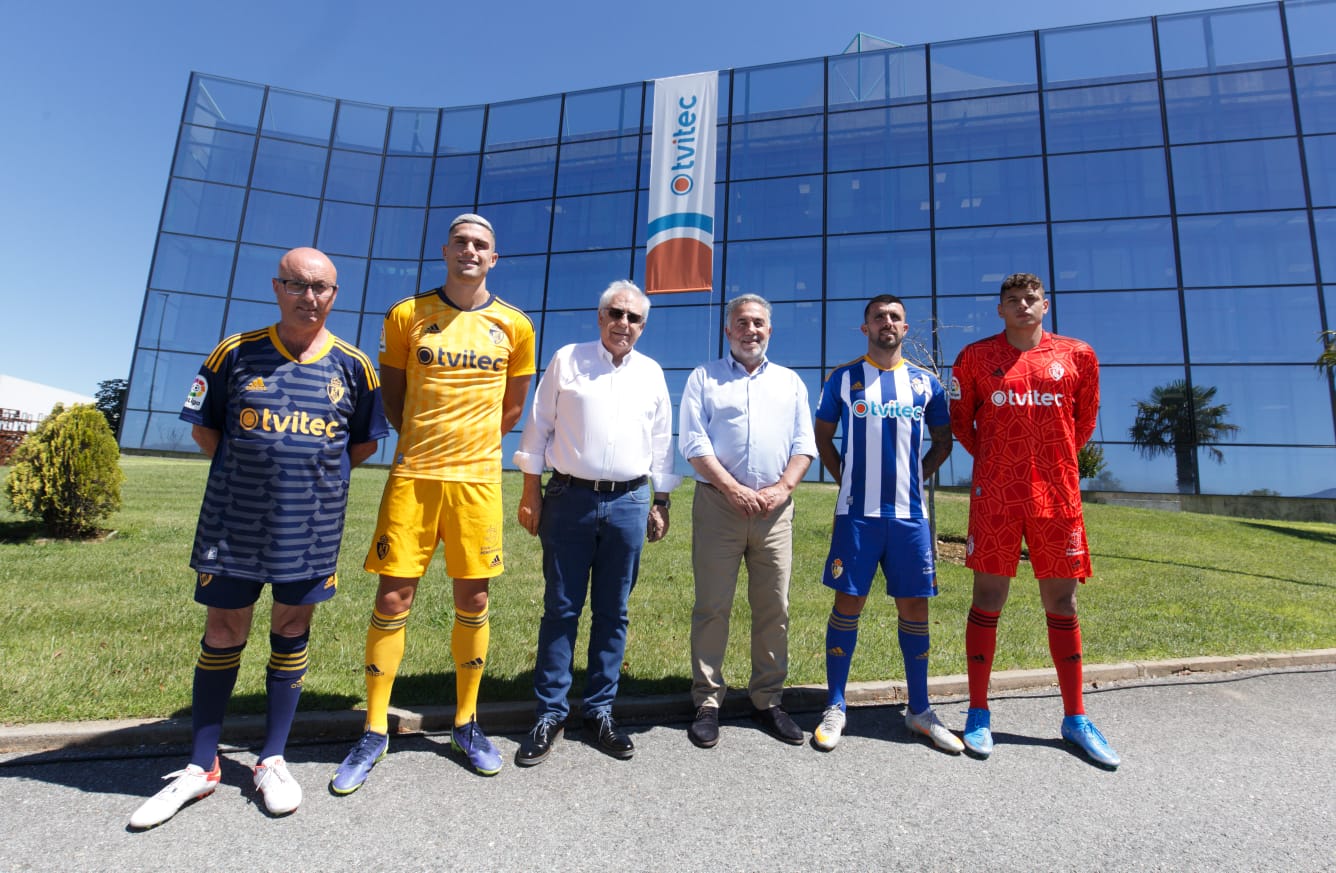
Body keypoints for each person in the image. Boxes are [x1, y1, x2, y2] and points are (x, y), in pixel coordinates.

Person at [130, 247, 386, 829]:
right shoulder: (235, 353)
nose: (309, 296)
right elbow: (206, 430)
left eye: (321, 287)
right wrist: (255, 473)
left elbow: (364, 444)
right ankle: (202, 767)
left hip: (311, 527)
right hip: (233, 523)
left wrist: (306, 481)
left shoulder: (354, 367)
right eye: (297, 284)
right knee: (223, 630)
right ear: (277, 288)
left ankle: (271, 759)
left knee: (292, 630)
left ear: (334, 295)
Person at [331, 214, 535, 793]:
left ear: (494, 258)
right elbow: (393, 402)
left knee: (473, 596)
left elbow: (512, 411)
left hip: (476, 484)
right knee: (393, 596)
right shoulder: (407, 315)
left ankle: (467, 724)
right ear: (446, 251)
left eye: (482, 245)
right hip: (415, 476)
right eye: (462, 242)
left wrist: (469, 448)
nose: (471, 251)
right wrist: (427, 440)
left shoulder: (515, 325)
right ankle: (373, 729)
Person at [948, 272, 1119, 768]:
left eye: (1031, 298)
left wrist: (1050, 462)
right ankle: (978, 712)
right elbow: (963, 423)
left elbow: (1083, 422)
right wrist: (1001, 462)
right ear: (999, 309)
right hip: (997, 496)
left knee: (1062, 601)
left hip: (1058, 496)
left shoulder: (1078, 355)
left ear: (1046, 304)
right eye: (1012, 300)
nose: (1022, 306)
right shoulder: (974, 358)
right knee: (987, 598)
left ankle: (1076, 717)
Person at [512, 280, 680, 766]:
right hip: (569, 499)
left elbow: (661, 440)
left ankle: (601, 709)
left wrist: (661, 500)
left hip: (629, 503)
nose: (622, 324)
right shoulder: (567, 359)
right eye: (615, 313)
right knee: (561, 608)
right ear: (600, 315)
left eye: (633, 318)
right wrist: (530, 492)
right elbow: (539, 426)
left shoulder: (651, 373)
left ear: (642, 327)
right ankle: (549, 712)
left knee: (614, 612)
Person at [811, 294, 960, 754]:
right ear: (865, 328)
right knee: (848, 604)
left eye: (895, 317)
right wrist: (847, 478)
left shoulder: (926, 383)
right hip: (857, 516)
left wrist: (914, 478)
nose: (887, 323)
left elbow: (943, 441)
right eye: (879, 317)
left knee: (915, 608)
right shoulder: (844, 379)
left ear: (905, 327)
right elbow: (822, 437)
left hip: (909, 518)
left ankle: (919, 709)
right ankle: (836, 706)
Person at [678, 294, 816, 748]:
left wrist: (781, 490)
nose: (750, 330)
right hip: (720, 506)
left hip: (776, 511)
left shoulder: (791, 382)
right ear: (728, 330)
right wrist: (733, 489)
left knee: (774, 607)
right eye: (742, 323)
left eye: (758, 323)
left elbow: (803, 445)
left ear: (769, 331)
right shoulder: (705, 378)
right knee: (712, 606)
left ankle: (767, 698)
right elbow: (694, 443)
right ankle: (707, 700)